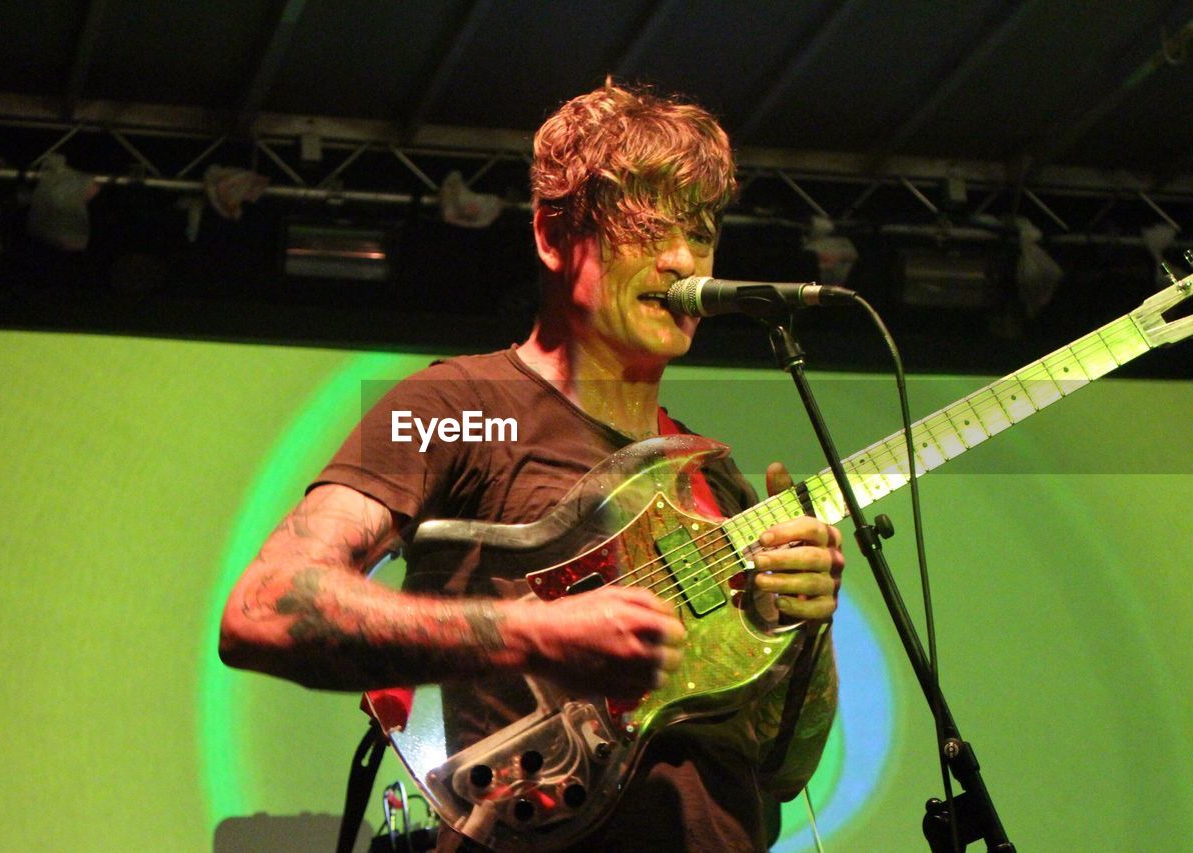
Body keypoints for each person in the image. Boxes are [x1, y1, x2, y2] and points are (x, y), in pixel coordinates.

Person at [219, 80, 843, 852]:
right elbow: (264, 606)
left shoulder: (712, 478)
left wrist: (809, 630)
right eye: (646, 223)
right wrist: (532, 631)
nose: (682, 257)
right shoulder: (459, 402)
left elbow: (781, 767)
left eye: (701, 228)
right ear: (554, 235)